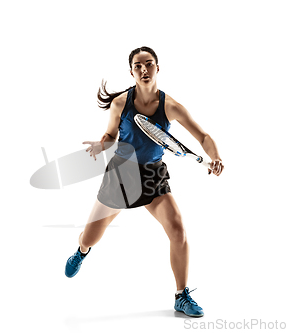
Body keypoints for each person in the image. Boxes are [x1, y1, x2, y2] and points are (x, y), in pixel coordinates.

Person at [65, 46, 224, 317]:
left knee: (177, 229)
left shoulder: (170, 106)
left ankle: (181, 295)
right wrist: (100, 145)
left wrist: (216, 156)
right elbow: (110, 136)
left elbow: (204, 137)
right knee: (91, 236)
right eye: (138, 66)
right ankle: (81, 250)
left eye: (148, 64)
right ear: (131, 72)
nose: (143, 69)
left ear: (157, 68)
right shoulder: (120, 104)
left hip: (153, 175)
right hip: (121, 175)